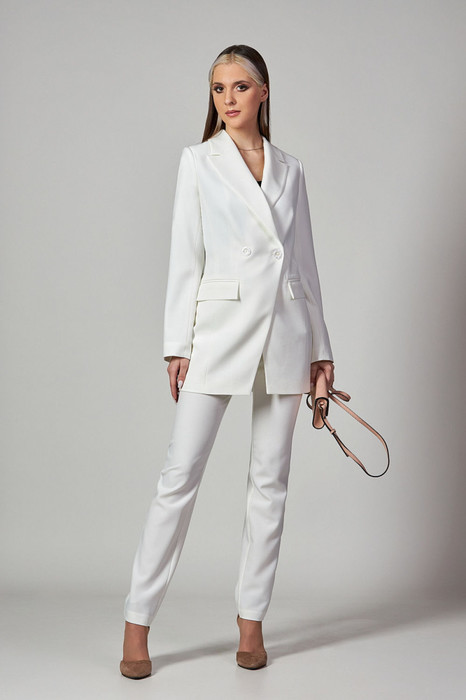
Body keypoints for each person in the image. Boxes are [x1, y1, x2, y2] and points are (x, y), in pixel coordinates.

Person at [120, 44, 335, 680]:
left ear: (263, 92)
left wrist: (322, 352)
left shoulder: (292, 169)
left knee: (270, 481)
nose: (229, 99)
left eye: (241, 86)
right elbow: (185, 255)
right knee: (179, 475)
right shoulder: (199, 161)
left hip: (287, 331)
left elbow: (305, 264)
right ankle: (137, 622)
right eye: (219, 88)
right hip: (218, 331)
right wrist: (177, 344)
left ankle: (251, 622)